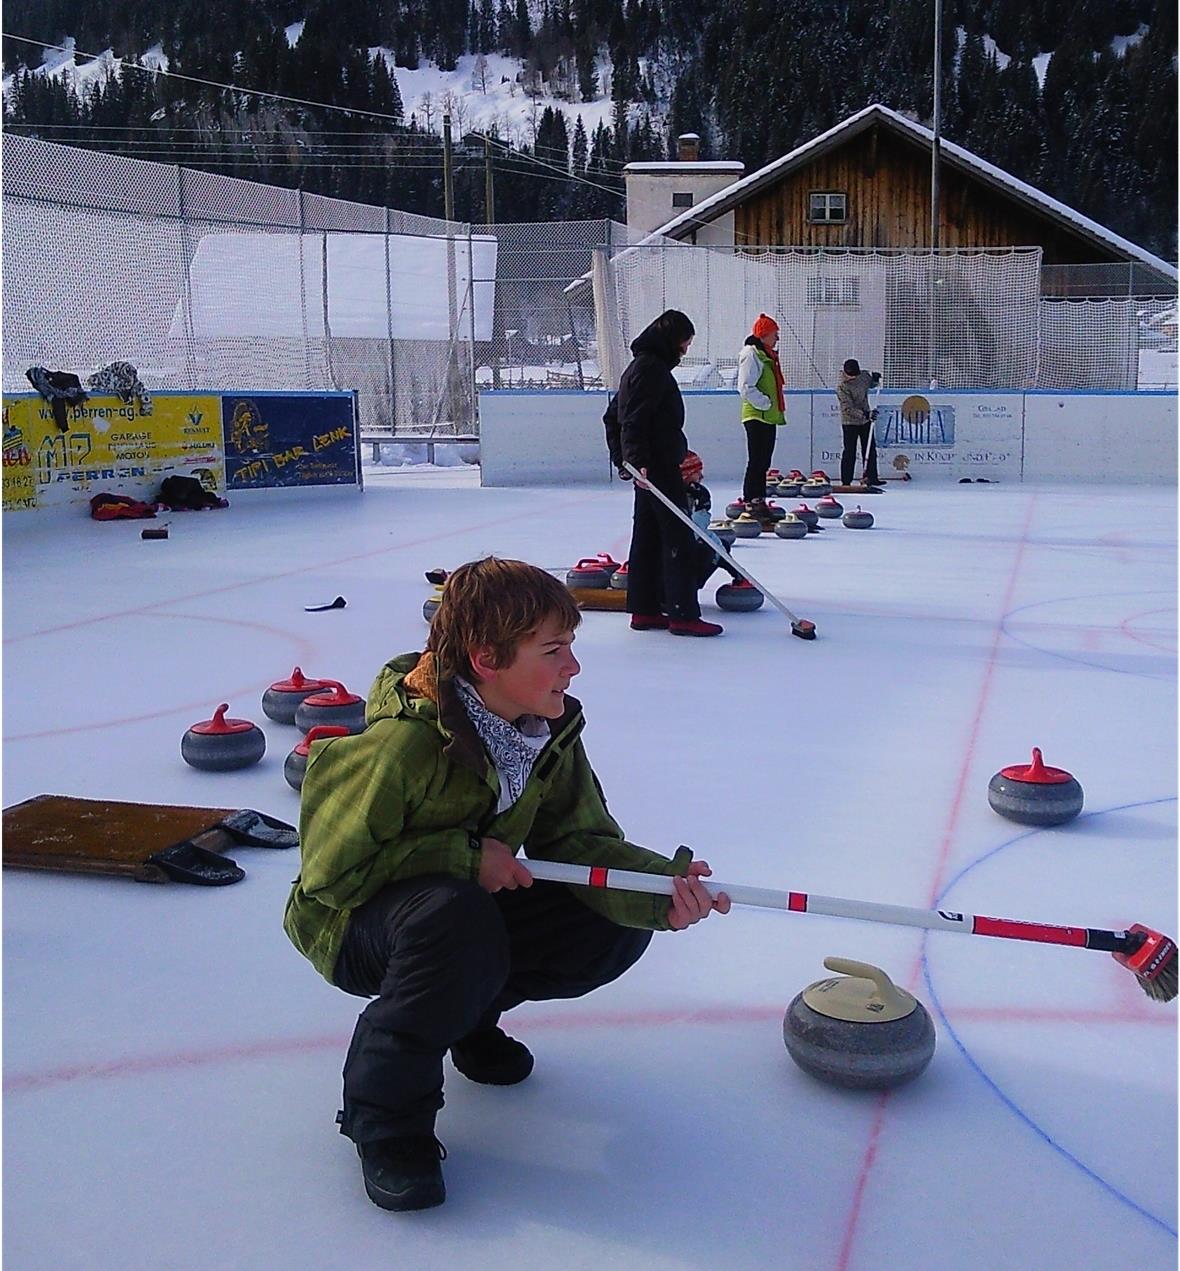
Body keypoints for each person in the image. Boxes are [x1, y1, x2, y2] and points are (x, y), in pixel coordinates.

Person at [283, 557, 730, 1212]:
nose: (572, 667)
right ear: (486, 659)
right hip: (349, 924)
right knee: (455, 916)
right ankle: (388, 1123)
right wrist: (465, 858)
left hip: (453, 915)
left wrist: (658, 887)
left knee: (606, 919)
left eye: (570, 646)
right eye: (553, 650)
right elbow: (329, 875)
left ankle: (464, 1015)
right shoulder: (402, 747)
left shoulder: (541, 731)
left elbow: (577, 842)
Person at [617, 308, 722, 637]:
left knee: (648, 537)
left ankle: (645, 609)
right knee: (678, 537)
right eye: (684, 342)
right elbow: (631, 419)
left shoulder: (641, 367)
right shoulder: (651, 370)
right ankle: (682, 614)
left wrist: (626, 461)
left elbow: (612, 417)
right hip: (657, 467)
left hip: (648, 467)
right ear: (670, 339)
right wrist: (635, 460)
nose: (685, 349)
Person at [736, 314, 787, 513]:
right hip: (757, 415)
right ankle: (751, 499)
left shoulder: (766, 355)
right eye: (775, 334)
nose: (777, 338)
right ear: (764, 334)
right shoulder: (752, 355)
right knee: (757, 460)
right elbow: (745, 386)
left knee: (764, 461)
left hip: (768, 416)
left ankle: (759, 498)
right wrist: (765, 403)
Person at [836, 358, 882, 487]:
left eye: (855, 375)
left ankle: (872, 477)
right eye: (850, 375)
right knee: (849, 451)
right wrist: (865, 414)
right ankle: (846, 481)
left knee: (869, 449)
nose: (852, 378)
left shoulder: (863, 376)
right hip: (850, 422)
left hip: (865, 420)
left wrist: (875, 380)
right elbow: (847, 408)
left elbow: (870, 384)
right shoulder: (842, 387)